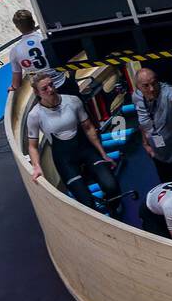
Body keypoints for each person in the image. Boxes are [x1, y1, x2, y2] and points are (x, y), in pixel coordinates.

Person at [25, 73, 120, 214]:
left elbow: (88, 128)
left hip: (86, 151)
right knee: (86, 203)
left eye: (51, 85)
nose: (50, 90)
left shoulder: (73, 101)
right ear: (37, 92)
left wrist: (103, 154)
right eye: (44, 88)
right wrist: (37, 167)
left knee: (112, 187)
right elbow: (32, 146)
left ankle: (113, 211)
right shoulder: (35, 115)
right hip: (65, 160)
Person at [9, 9, 78, 96]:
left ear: (17, 28)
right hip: (63, 84)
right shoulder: (47, 39)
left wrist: (13, 87)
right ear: (33, 22)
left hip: (43, 92)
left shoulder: (15, 51)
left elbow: (16, 83)